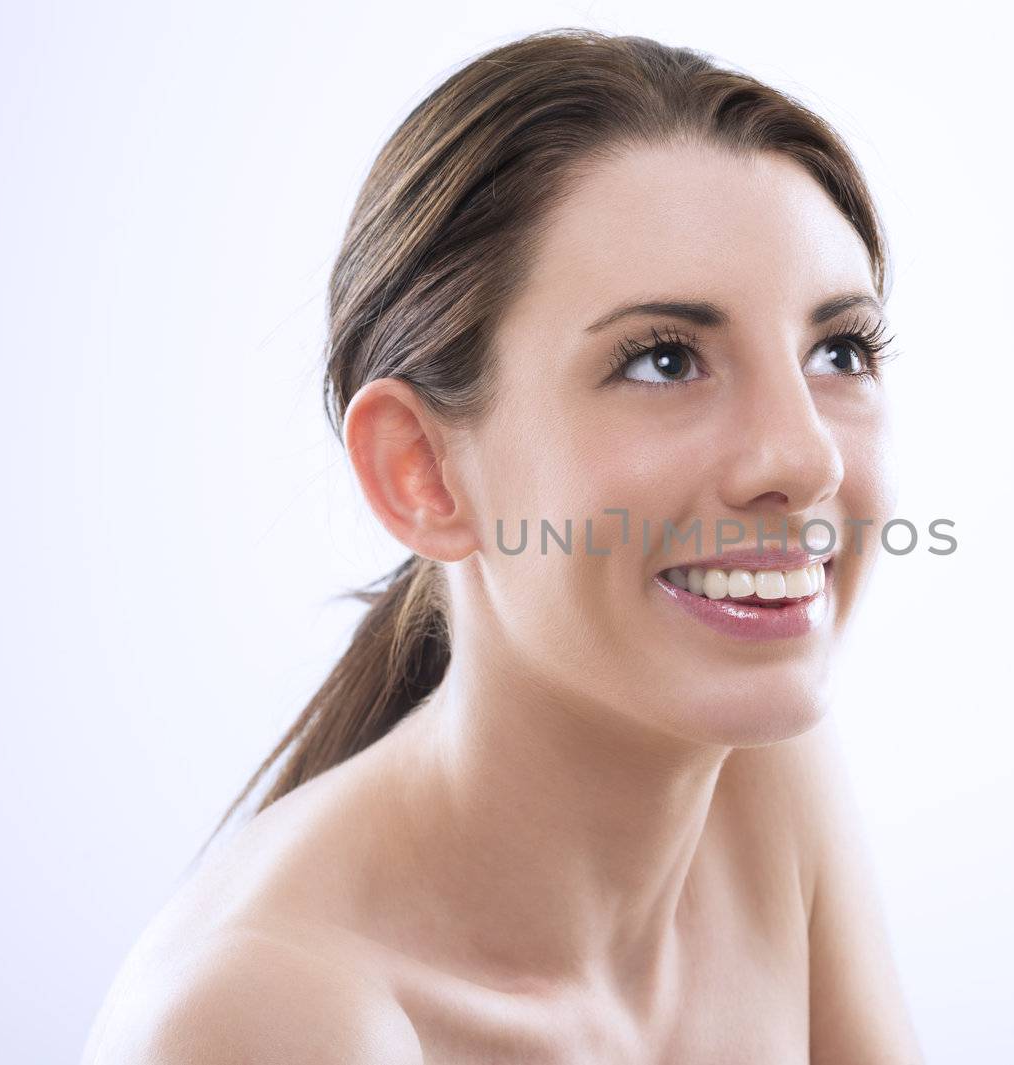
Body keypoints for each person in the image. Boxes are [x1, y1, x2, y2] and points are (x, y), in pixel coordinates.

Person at [82, 27, 922, 1063]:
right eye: (665, 360)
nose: (803, 458)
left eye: (838, 349)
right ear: (421, 473)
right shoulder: (270, 1022)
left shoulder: (759, 771)